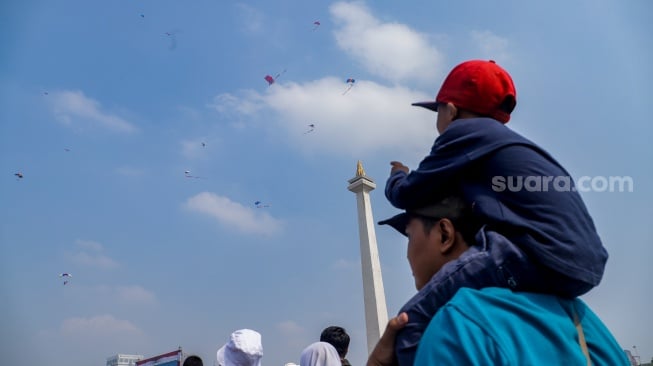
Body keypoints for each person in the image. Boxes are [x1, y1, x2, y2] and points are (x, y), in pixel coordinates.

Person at [384, 59, 609, 366]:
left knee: (411, 325)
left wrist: (398, 175)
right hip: (583, 266)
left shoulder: (464, 132)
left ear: (450, 110)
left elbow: (408, 193)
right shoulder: (507, 144)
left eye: (437, 111)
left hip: (536, 251)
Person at [367, 196, 628, 365]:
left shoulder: (456, 326)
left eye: (410, 237)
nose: (407, 254)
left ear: (445, 234)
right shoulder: (582, 318)